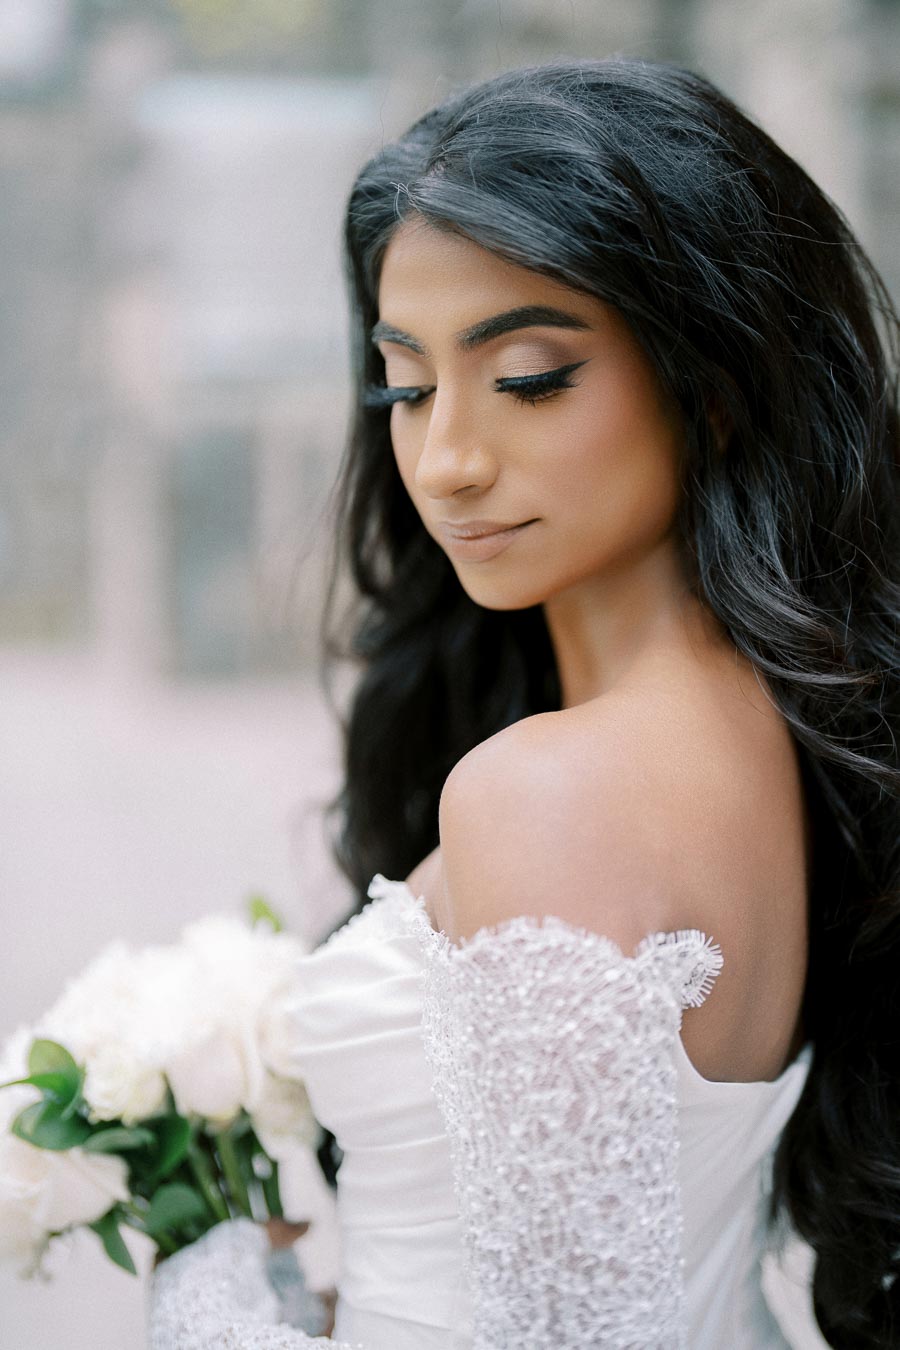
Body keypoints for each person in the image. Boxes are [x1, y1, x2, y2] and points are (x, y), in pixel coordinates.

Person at [149, 57, 900, 1349]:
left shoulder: (551, 794)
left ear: (711, 385)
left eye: (531, 377)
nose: (447, 460)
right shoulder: (762, 738)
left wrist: (210, 1294)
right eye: (407, 385)